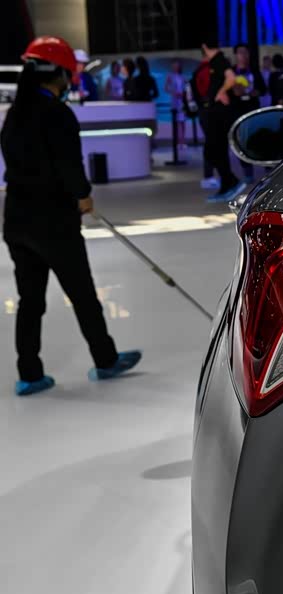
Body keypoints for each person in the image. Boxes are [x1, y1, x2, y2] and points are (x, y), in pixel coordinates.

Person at [1, 37, 141, 396]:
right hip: (54, 222)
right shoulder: (58, 114)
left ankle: (29, 374)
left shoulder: (14, 114)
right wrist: (83, 195)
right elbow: (68, 165)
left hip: (17, 220)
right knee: (82, 294)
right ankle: (105, 360)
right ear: (59, 74)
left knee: (30, 300)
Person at [200, 42, 247, 202]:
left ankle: (231, 182)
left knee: (212, 150)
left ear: (205, 46)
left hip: (220, 115)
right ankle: (228, 184)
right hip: (217, 115)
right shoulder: (217, 62)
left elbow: (231, 78)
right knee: (216, 151)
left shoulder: (219, 60)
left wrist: (220, 92)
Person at [232, 44, 266, 183]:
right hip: (238, 110)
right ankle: (247, 173)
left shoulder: (254, 71)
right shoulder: (232, 72)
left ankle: (266, 169)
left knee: (259, 138)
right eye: (240, 53)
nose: (243, 56)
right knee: (242, 141)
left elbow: (263, 89)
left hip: (253, 109)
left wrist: (255, 92)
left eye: (246, 52)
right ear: (236, 55)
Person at [190, 55, 219, 190]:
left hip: (204, 110)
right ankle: (209, 176)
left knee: (211, 143)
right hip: (209, 110)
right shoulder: (207, 70)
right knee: (212, 143)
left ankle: (210, 175)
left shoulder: (198, 71)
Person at [165, 59, 187, 148]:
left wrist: (184, 94)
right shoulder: (170, 76)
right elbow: (166, 88)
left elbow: (187, 87)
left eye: (177, 66)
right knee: (176, 121)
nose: (175, 67)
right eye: (174, 66)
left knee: (183, 121)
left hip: (182, 100)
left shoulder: (183, 77)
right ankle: (177, 141)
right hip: (175, 100)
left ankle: (183, 140)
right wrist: (173, 93)